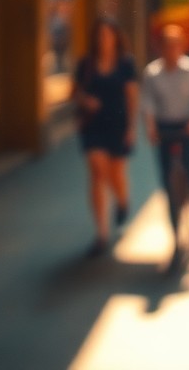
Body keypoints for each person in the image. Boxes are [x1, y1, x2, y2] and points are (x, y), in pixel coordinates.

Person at [71, 19, 139, 257]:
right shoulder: (86, 63)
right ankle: (101, 233)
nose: (104, 40)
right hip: (93, 124)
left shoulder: (126, 63)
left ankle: (122, 201)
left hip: (118, 124)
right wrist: (85, 101)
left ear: (116, 37)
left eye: (108, 35)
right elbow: (75, 92)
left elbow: (132, 96)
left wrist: (131, 127)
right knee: (97, 172)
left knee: (116, 174)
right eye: (100, 35)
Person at [142, 25, 189, 229]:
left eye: (175, 46)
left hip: (186, 124)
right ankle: (174, 214)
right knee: (166, 172)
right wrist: (150, 126)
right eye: (167, 47)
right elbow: (148, 102)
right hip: (164, 126)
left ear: (181, 47)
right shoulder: (152, 73)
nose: (171, 51)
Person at [50, 0, 72, 74]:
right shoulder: (57, 20)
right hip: (58, 43)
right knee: (59, 59)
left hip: (63, 43)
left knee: (62, 59)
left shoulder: (64, 19)